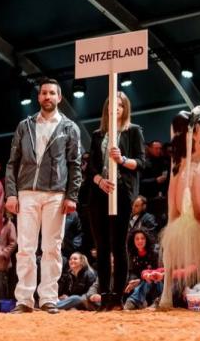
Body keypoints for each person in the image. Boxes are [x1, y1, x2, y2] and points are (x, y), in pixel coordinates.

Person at [4, 78, 82, 314]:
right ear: (38, 97)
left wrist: (72, 196)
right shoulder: (24, 125)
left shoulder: (70, 128)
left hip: (56, 194)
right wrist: (11, 194)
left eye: (52, 93)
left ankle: (49, 297)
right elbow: (12, 163)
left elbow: (75, 165)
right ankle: (24, 300)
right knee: (25, 248)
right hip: (26, 192)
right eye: (43, 93)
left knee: (52, 248)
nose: (47, 97)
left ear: (59, 98)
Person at [87, 91, 146, 310]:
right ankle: (104, 295)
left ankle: (118, 298)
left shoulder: (133, 131)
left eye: (120, 105)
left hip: (122, 192)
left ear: (125, 108)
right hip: (99, 194)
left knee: (119, 246)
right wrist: (99, 180)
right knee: (101, 247)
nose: (116, 108)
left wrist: (122, 160)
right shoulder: (97, 134)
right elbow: (90, 165)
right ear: (106, 108)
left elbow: (142, 162)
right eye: (112, 104)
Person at [123, 229, 162, 310]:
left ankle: (134, 301)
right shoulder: (131, 255)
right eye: (137, 239)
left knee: (149, 280)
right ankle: (139, 302)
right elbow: (132, 273)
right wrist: (134, 281)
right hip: (141, 284)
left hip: (156, 283)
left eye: (142, 238)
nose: (140, 241)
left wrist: (143, 278)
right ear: (133, 241)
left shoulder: (154, 253)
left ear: (146, 240)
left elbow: (160, 271)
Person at [0, 212, 16, 311]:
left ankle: (2, 308)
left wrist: (4, 253)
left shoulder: (9, 224)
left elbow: (13, 242)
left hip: (1, 261)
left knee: (1, 285)